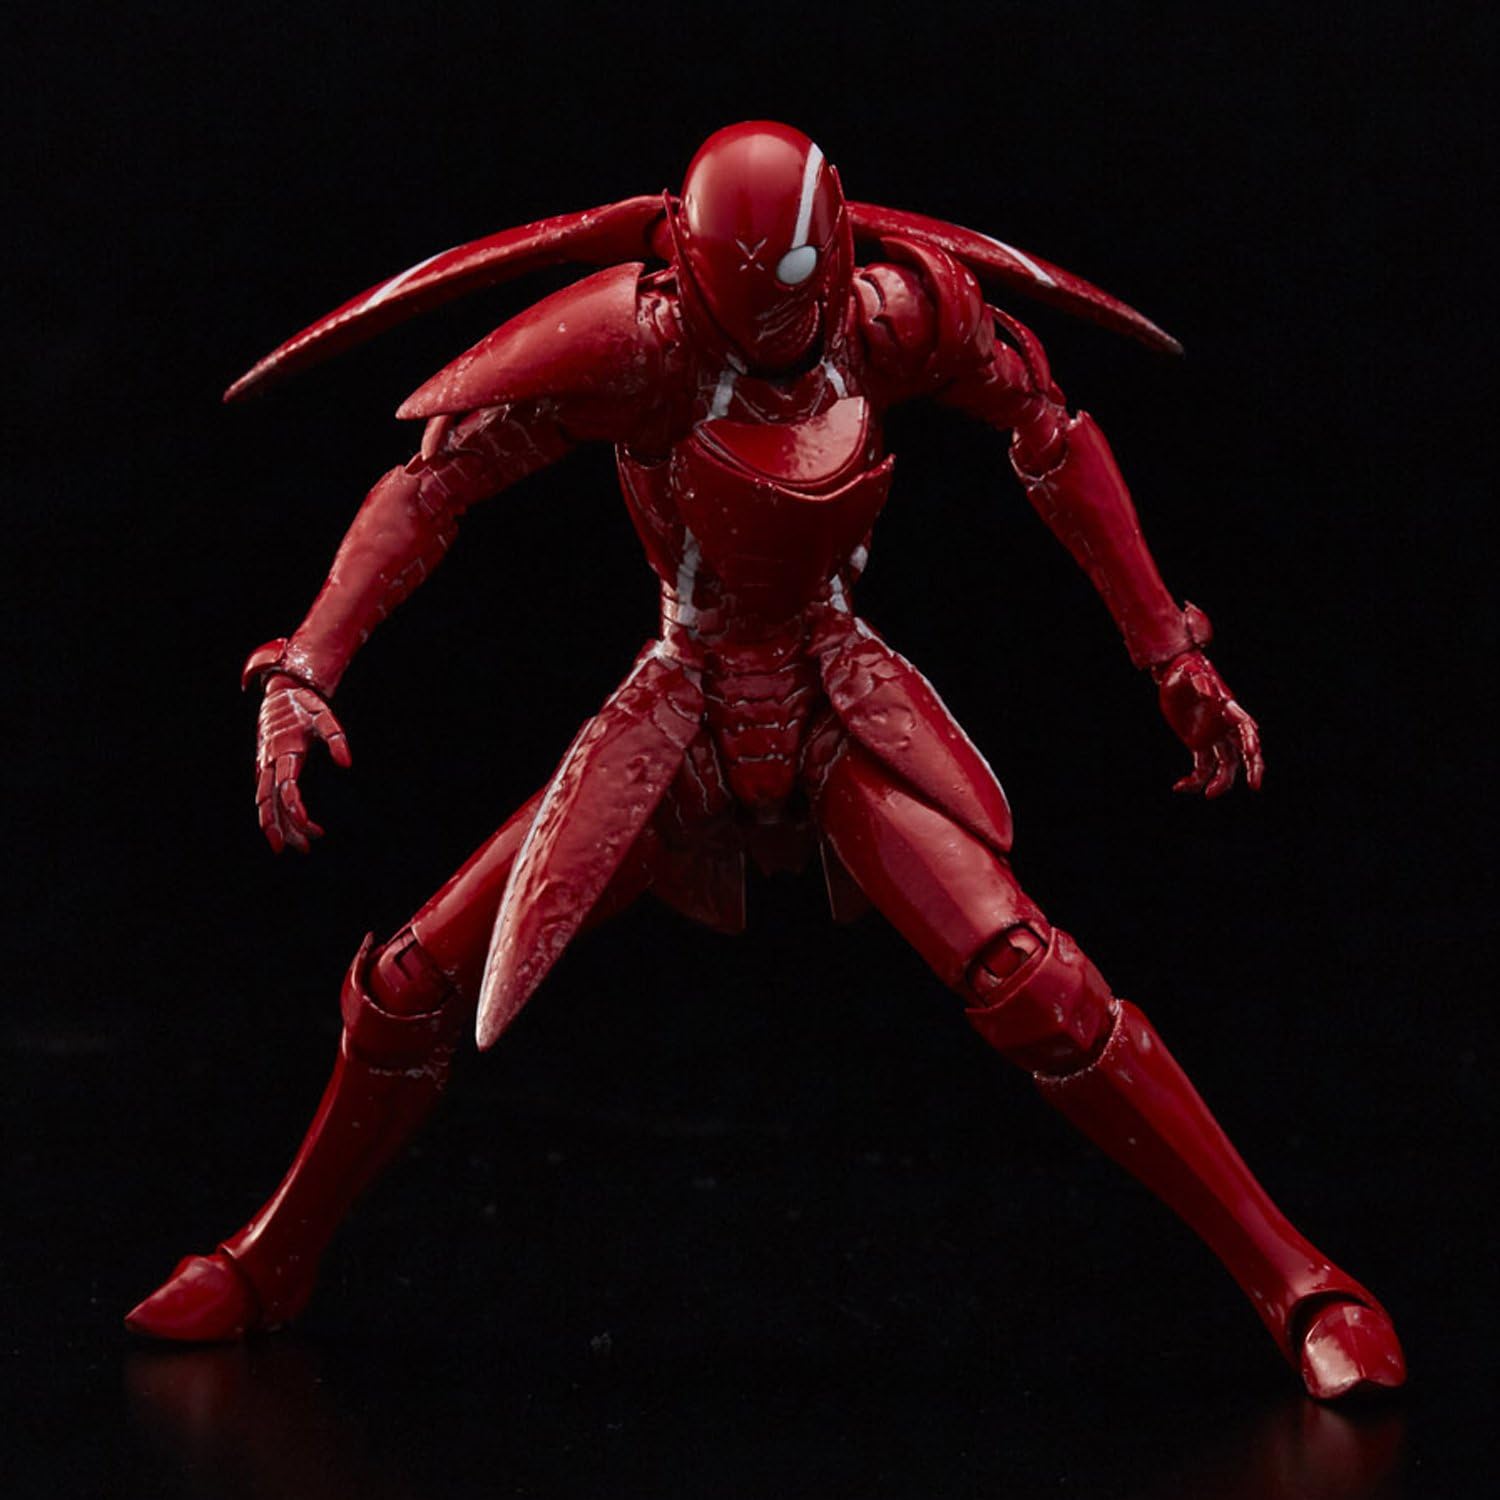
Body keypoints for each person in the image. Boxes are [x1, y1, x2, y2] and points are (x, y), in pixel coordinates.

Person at [128, 121, 1404, 1400]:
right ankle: (271, 1260)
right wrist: (307, 667)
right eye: (745, 310)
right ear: (687, 271)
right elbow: (435, 484)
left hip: (836, 696)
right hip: (678, 711)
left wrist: (1170, 658)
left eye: (799, 298)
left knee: (1041, 987)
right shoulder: (642, 348)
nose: (777, 347)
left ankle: (1298, 1282)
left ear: (837, 244)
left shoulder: (892, 321)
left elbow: (1047, 429)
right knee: (408, 987)